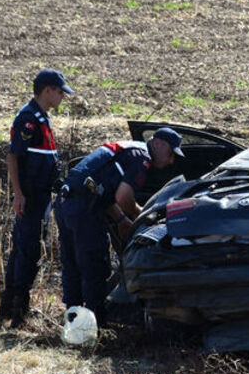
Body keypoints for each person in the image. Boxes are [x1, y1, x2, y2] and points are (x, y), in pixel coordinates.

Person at [54, 128, 183, 326]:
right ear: (157, 144)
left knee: (72, 266)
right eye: (171, 153)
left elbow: (103, 192)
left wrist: (122, 220)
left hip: (66, 202)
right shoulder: (142, 158)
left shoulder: (129, 149)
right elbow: (123, 196)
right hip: (84, 209)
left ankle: (73, 324)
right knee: (94, 265)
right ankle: (96, 325)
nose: (172, 160)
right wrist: (142, 214)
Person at [1, 69, 73, 328]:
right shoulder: (29, 119)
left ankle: (8, 308)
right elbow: (13, 156)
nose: (63, 96)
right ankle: (18, 312)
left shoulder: (43, 117)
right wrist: (18, 194)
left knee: (26, 247)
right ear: (47, 91)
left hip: (41, 194)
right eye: (60, 91)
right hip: (30, 195)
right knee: (28, 248)